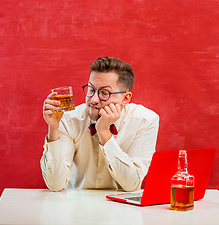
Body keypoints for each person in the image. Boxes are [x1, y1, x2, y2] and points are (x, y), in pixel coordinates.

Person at [41, 57, 159, 192]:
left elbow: (131, 184)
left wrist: (104, 132)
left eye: (104, 93)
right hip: (76, 206)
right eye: (91, 90)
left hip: (122, 208)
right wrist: (53, 128)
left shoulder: (145, 120)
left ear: (125, 98)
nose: (94, 99)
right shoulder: (68, 119)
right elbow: (56, 184)